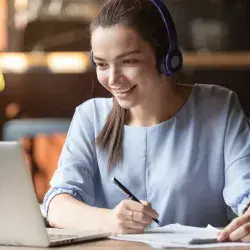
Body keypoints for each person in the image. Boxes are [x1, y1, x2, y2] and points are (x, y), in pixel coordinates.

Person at [43, 0, 250, 242]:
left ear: (166, 57)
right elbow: (57, 204)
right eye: (101, 64)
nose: (113, 79)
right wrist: (110, 221)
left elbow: (245, 188)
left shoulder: (219, 106)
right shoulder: (90, 117)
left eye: (129, 61)